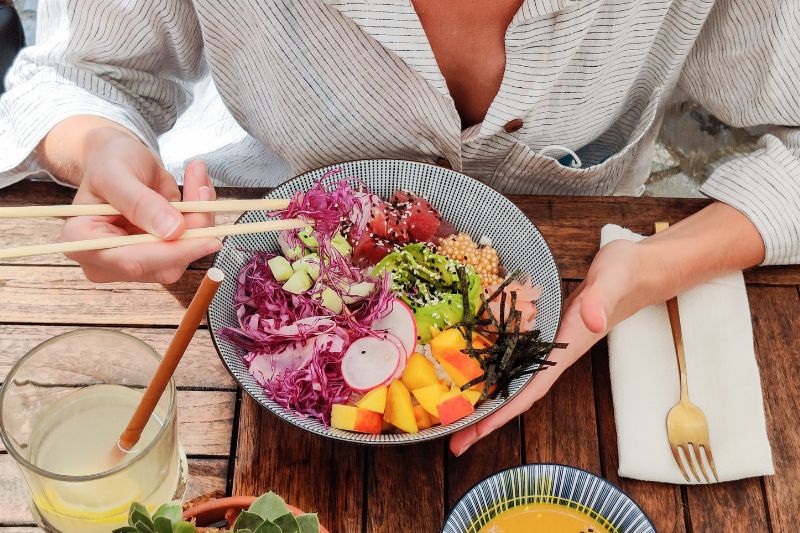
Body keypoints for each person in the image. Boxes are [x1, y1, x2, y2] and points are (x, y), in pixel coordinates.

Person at [0, 0, 797, 455]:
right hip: (245, 272)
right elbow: (79, 71)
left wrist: (657, 264)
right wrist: (98, 144)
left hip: (585, 355)